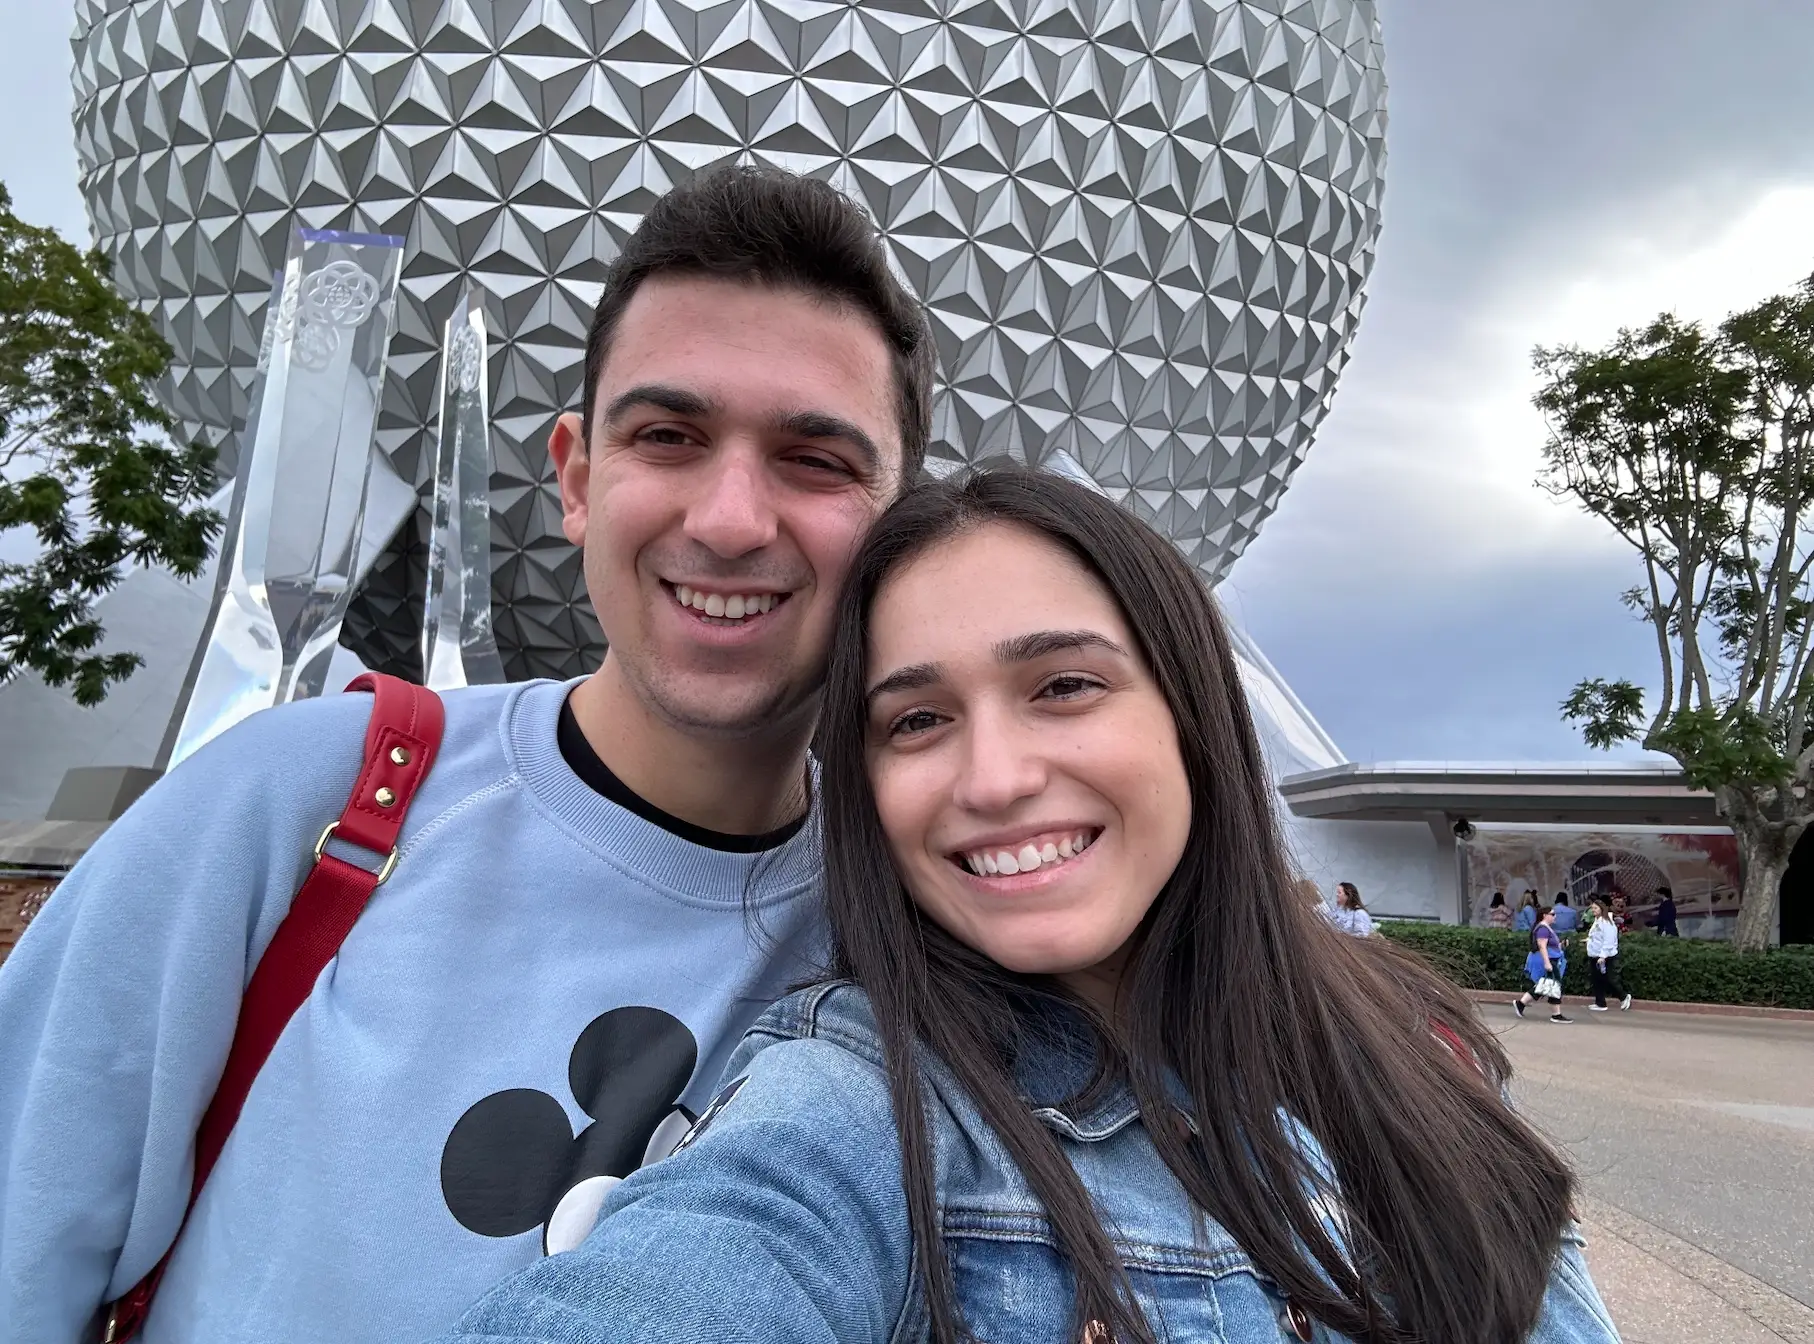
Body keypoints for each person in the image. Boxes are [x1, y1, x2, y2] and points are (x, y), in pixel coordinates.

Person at [0, 165, 936, 1342]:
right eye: (667, 435)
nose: (729, 521)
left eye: (815, 459)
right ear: (577, 480)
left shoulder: (920, 938)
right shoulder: (297, 805)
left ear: (901, 527)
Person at [442, 471, 1617, 1344]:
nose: (993, 779)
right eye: (914, 720)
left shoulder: (1417, 1048)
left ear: (1191, 714)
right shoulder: (864, 1106)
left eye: (1062, 685)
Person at [1514, 906, 1573, 1023]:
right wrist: (1547, 963)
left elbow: (1550, 946)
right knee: (1554, 985)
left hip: (1551, 959)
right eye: (1552, 914)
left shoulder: (1546, 928)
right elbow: (1542, 946)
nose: (1555, 916)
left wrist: (1561, 945)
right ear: (1544, 915)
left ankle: (1521, 1003)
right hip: (1548, 960)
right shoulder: (1543, 929)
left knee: (1545, 985)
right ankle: (1556, 1014)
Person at [1584, 901, 1633, 1012]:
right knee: (1597, 980)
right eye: (1592, 908)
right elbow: (1597, 937)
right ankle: (1600, 1003)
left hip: (1605, 956)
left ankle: (1624, 996)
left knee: (1610, 979)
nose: (1593, 910)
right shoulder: (1597, 921)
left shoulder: (1607, 922)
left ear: (1602, 908)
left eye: (1595, 908)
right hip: (1595, 954)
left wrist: (1603, 956)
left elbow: (1609, 941)